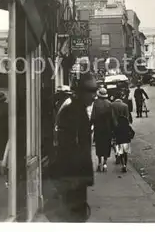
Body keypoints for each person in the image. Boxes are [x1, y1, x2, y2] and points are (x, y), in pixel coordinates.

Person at [55, 72, 97, 222]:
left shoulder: (78, 110)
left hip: (77, 176)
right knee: (74, 216)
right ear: (81, 92)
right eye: (91, 92)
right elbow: (69, 147)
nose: (94, 97)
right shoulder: (73, 111)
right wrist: (77, 177)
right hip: (73, 176)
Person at [91, 88, 116, 172]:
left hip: (98, 128)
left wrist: (91, 125)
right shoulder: (109, 103)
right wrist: (113, 129)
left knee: (99, 146)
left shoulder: (95, 103)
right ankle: (105, 164)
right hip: (107, 128)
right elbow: (112, 118)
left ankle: (99, 163)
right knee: (106, 145)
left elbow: (93, 117)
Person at [111, 92, 134, 173]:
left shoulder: (112, 105)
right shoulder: (125, 105)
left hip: (115, 127)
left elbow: (111, 117)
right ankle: (125, 164)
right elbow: (127, 117)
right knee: (125, 149)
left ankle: (118, 156)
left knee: (117, 143)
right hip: (124, 128)